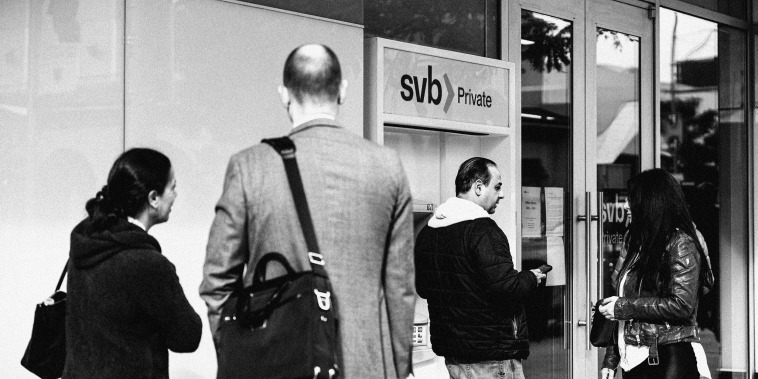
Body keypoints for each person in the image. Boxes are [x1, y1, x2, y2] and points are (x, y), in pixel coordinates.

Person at [200, 44, 415, 378]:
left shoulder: (249, 167)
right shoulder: (387, 166)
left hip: (279, 364)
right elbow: (400, 290)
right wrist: (400, 370)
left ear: (284, 94)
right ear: (342, 91)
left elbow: (217, 281)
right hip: (366, 367)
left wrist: (242, 347)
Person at [64, 148, 202, 378]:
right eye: (173, 186)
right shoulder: (147, 264)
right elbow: (187, 337)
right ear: (153, 198)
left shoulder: (87, 245)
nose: (176, 195)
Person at [415, 157, 546, 379]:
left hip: (455, 357)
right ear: (478, 187)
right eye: (497, 187)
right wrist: (531, 278)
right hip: (492, 358)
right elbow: (507, 289)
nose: (501, 194)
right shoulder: (484, 231)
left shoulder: (429, 232)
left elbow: (424, 288)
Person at [598, 168, 713, 379]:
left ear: (651, 203)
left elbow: (681, 305)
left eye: (631, 199)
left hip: (668, 358)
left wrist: (622, 307)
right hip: (633, 360)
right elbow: (622, 310)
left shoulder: (681, 243)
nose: (625, 205)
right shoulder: (636, 241)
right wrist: (611, 360)